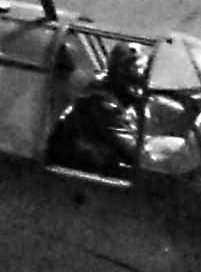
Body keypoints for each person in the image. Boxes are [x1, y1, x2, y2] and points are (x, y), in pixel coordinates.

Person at [47, 43, 151, 175]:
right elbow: (135, 155)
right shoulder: (103, 103)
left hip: (93, 163)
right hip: (77, 173)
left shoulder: (118, 91)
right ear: (124, 72)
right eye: (139, 72)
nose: (142, 79)